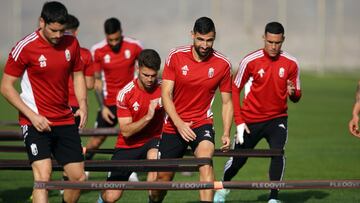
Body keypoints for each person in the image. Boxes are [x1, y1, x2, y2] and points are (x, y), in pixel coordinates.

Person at [0, 1, 87, 203]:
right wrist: (32, 116)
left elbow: (79, 73)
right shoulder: (25, 47)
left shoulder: (71, 43)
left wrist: (83, 104)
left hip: (65, 119)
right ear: (41, 22)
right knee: (43, 179)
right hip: (35, 122)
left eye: (61, 30)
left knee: (78, 178)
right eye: (53, 30)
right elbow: (5, 86)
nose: (58, 35)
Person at [213, 22, 301, 203]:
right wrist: (239, 121)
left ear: (283, 40)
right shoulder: (250, 61)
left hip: (277, 119)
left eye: (277, 42)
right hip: (250, 120)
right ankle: (223, 187)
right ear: (264, 38)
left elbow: (297, 95)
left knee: (277, 153)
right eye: (270, 42)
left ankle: (273, 198)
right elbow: (235, 89)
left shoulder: (292, 63)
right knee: (238, 160)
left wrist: (294, 93)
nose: (273, 46)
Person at [149, 17, 233, 203]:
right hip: (173, 124)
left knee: (205, 162)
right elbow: (166, 95)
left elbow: (227, 102)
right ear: (192, 35)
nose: (205, 45)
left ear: (214, 38)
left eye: (209, 40)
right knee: (161, 183)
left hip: (201, 123)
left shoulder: (223, 64)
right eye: (200, 39)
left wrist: (227, 132)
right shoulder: (175, 56)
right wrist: (179, 124)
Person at [96, 49, 164, 203]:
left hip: (154, 140)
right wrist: (148, 116)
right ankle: (101, 197)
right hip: (128, 145)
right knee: (112, 196)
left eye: (153, 75)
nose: (150, 79)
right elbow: (126, 132)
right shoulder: (125, 94)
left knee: (155, 169)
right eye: (146, 75)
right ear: (137, 69)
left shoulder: (164, 88)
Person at [85, 17, 143, 181]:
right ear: (106, 36)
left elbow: (143, 70)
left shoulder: (135, 46)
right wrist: (102, 107)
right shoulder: (98, 50)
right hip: (109, 103)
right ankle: (85, 164)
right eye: (111, 40)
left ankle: (130, 171)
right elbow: (97, 81)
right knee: (97, 140)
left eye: (117, 38)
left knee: (133, 137)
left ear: (121, 33)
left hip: (130, 101)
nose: (114, 42)